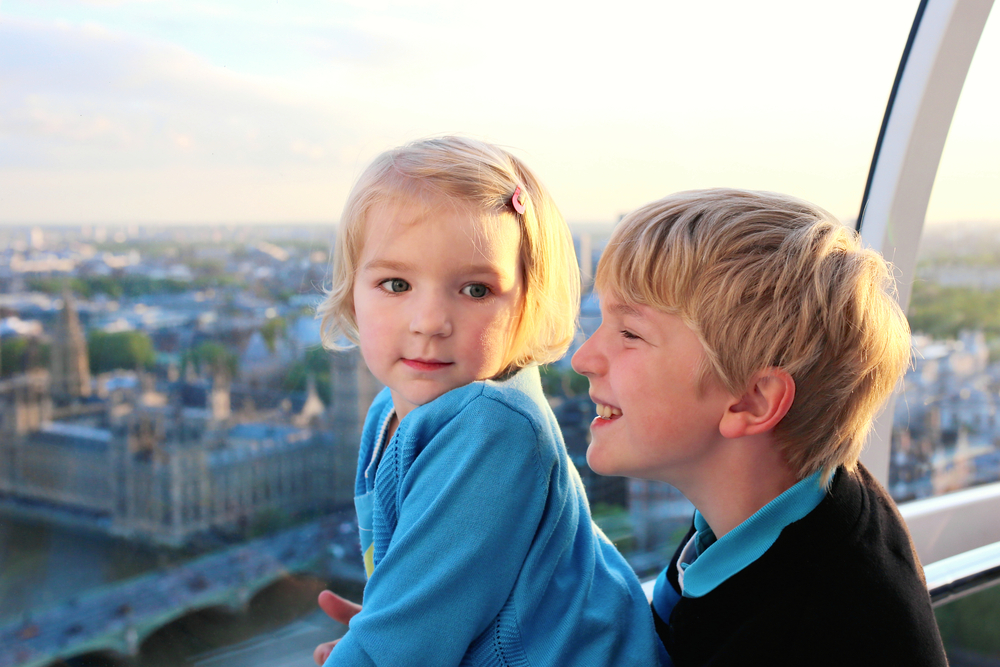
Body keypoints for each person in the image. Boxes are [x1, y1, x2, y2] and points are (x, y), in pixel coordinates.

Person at [313, 136, 664, 666]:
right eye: (396, 283)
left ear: (528, 305)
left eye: (475, 290)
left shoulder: (495, 430)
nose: (430, 321)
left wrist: (376, 645)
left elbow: (401, 655)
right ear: (351, 293)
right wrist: (386, 614)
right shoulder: (390, 409)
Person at [569, 188, 948, 666]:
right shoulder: (792, 515)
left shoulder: (812, 633)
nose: (583, 360)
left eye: (630, 333)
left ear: (751, 400)